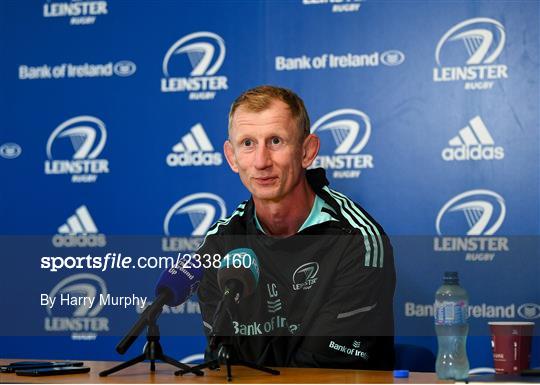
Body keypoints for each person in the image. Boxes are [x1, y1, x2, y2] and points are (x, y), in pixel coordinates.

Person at [197, 85, 396, 369]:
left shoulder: (358, 241)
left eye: (276, 141)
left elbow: (326, 369)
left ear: (307, 151)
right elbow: (225, 362)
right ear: (232, 157)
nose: (261, 161)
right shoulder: (217, 246)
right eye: (248, 143)